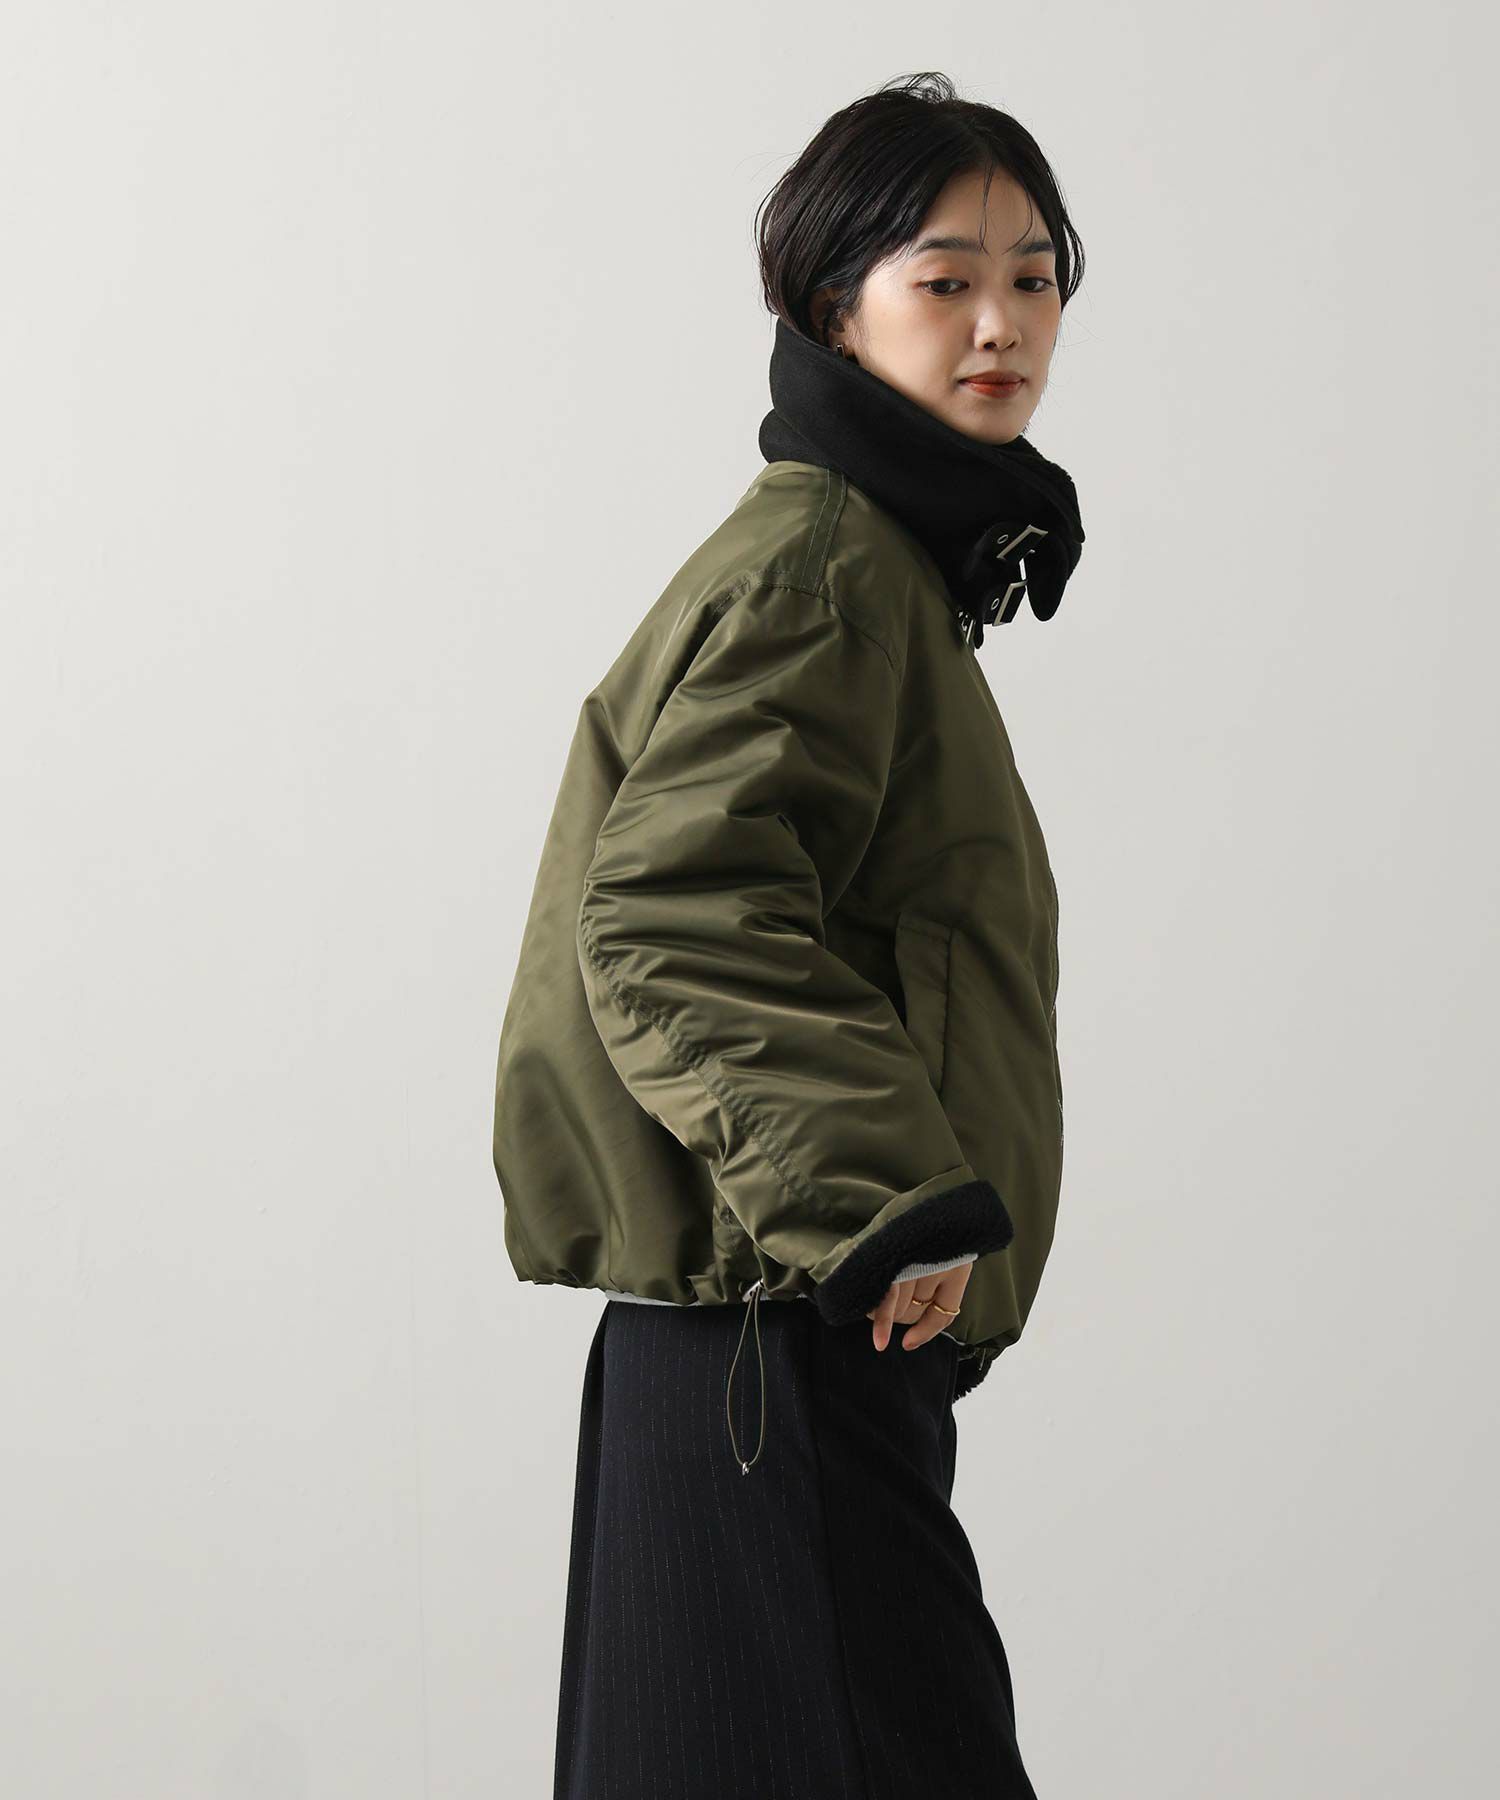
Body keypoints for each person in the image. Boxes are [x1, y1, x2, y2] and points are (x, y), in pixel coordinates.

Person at [492, 69, 1086, 1800]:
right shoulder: (832, 569)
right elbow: (670, 912)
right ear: (836, 308)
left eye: (1035, 278)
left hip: (761, 1344)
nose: (1002, 323)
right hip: (782, 1351)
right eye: (945, 278)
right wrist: (884, 1199)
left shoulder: (870, 565)